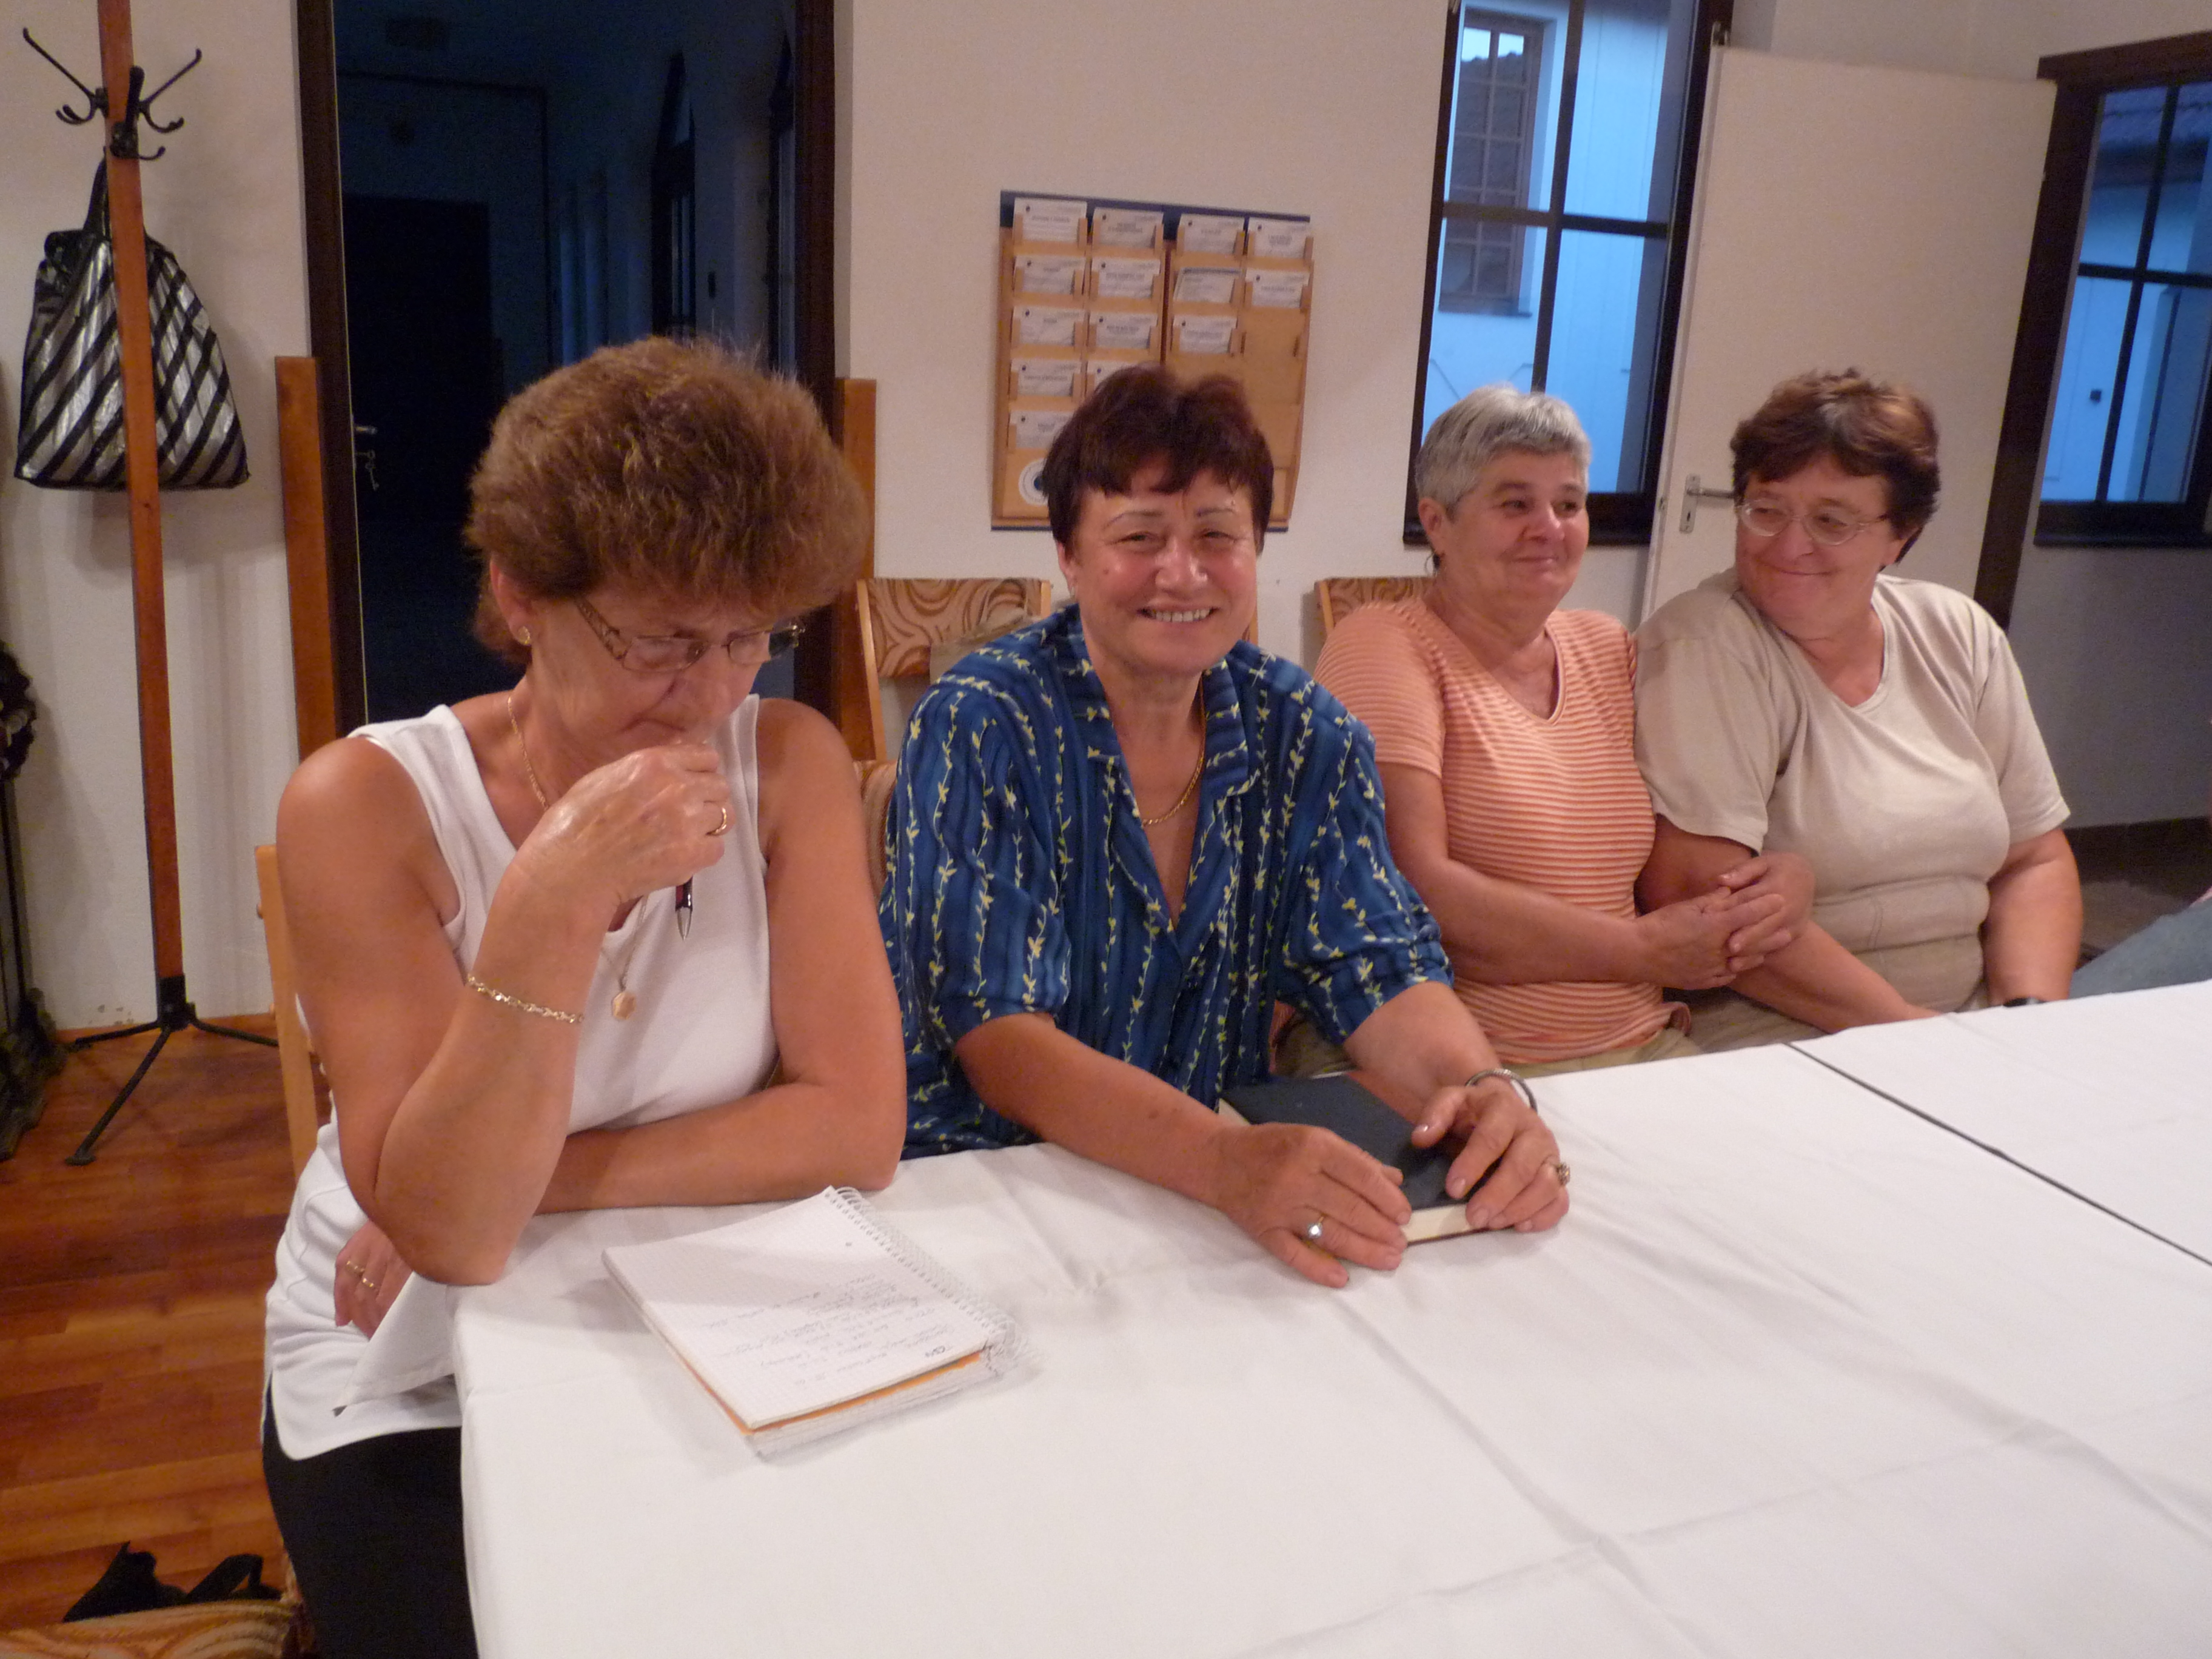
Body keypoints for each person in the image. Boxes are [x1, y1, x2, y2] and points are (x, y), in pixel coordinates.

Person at [261, 339, 904, 1658]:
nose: (712, 694)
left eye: (748, 638)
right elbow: (450, 1239)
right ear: (521, 594)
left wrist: (517, 1183)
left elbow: (855, 1127)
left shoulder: (786, 764)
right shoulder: (366, 805)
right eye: (660, 641)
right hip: (407, 1364)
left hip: (699, 1308)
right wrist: (553, 897)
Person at [880, 366, 1567, 1292]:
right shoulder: (984, 722)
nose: (1182, 572)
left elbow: (1381, 967)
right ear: (1070, 558)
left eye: (1216, 534)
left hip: (1201, 1191)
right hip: (984, 1187)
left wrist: (1481, 1091)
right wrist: (1220, 1160)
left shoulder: (1304, 732)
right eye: (1139, 537)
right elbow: (999, 1037)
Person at [1316, 385, 1803, 1074]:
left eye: (1569, 504)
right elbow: (1414, 889)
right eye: (1515, 504)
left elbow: (1676, 858)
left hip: (1643, 1044)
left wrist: (1785, 879)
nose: (1549, 527)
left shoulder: (1605, 647)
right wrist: (1643, 951)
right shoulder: (1386, 643)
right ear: (1438, 523)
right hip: (1477, 1065)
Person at [1635, 369, 2080, 1048]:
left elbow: (2035, 860)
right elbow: (1706, 898)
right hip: (1790, 1036)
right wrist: (1918, 1037)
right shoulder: (1707, 642)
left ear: (1900, 534)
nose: (1789, 545)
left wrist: (2026, 1022)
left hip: (1970, 1028)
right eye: (1766, 509)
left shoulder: (1957, 632)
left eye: (1831, 521)